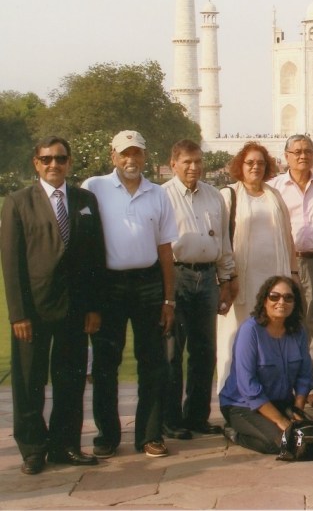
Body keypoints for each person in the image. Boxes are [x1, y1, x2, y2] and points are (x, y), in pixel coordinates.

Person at [1, 137, 107, 474]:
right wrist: (18, 313)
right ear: (36, 163)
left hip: (75, 308)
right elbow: (11, 263)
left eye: (60, 159)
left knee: (70, 380)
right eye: (46, 159)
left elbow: (96, 257)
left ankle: (65, 445)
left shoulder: (85, 200)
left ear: (69, 162)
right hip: (33, 309)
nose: (53, 165)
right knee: (29, 381)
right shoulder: (18, 202)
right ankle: (33, 449)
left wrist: (93, 307)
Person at [83, 130, 178, 458]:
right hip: (108, 284)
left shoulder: (157, 194)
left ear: (145, 156)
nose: (130, 159)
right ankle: (107, 435)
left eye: (136, 153)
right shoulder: (94, 188)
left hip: (148, 282)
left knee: (152, 361)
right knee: (106, 361)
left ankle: (150, 434)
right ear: (113, 155)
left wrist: (169, 299)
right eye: (124, 153)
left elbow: (165, 250)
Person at [161, 140, 235, 439]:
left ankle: (196, 416)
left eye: (198, 161)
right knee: (172, 351)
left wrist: (226, 279)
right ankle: (170, 419)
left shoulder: (214, 196)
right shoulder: (163, 196)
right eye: (187, 162)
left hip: (207, 277)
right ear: (173, 164)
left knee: (204, 351)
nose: (194, 167)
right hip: (176, 275)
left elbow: (223, 242)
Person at [217, 142, 297, 394]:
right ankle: (232, 396)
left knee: (269, 337)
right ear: (240, 165)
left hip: (273, 278)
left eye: (260, 163)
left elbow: (288, 237)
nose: (255, 167)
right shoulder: (229, 195)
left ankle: (267, 395)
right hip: (241, 279)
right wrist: (228, 276)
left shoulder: (274, 196)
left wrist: (293, 274)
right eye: (250, 162)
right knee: (236, 336)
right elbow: (221, 239)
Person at [219, 276, 313, 454]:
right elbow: (247, 385)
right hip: (242, 405)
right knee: (282, 443)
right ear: (264, 300)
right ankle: (234, 433)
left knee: (305, 437)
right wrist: (280, 420)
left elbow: (305, 375)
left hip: (280, 402)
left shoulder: (298, 331)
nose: (281, 302)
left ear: (295, 303)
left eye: (288, 298)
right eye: (274, 296)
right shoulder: (250, 331)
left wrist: (298, 410)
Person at [271, 135, 313, 371]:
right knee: (280, 315)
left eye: (308, 151)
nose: (303, 156)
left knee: (312, 317)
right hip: (282, 260)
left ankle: (309, 377)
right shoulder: (275, 188)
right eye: (297, 152)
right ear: (286, 156)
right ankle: (281, 373)